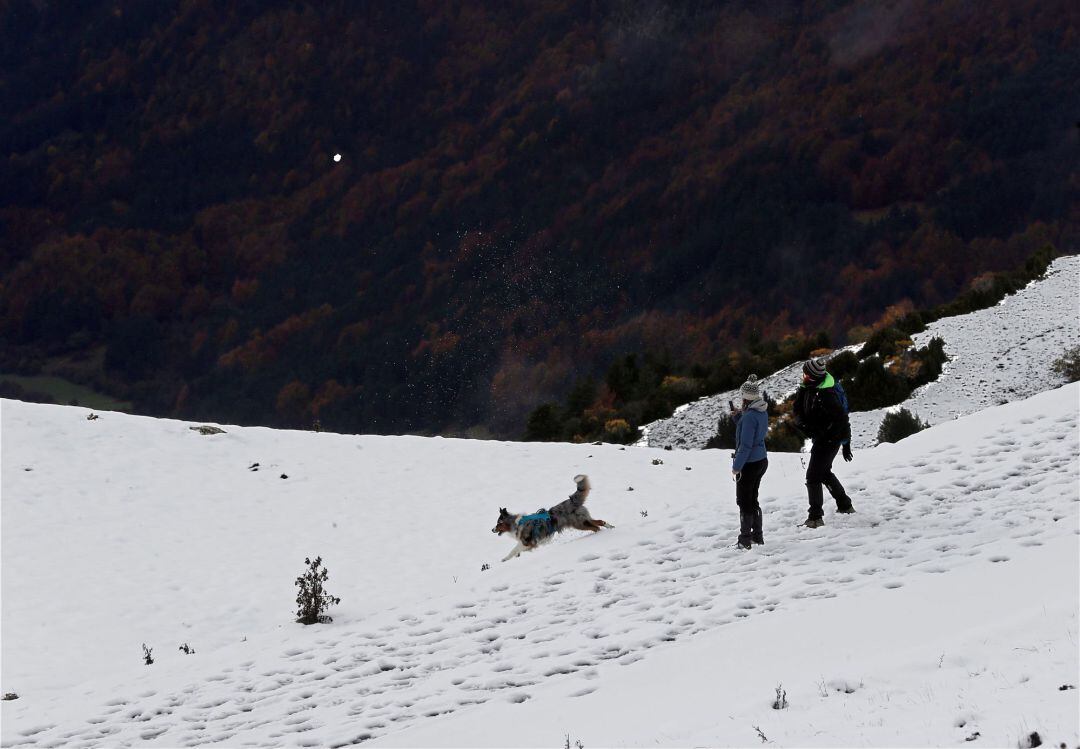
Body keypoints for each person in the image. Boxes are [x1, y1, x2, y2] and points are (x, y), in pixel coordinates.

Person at [793, 357, 855, 528]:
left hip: (828, 441)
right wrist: (802, 424)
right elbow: (797, 409)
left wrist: (845, 442)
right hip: (821, 438)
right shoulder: (808, 387)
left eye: (805, 373)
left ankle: (815, 518)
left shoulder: (827, 394)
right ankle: (845, 505)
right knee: (824, 472)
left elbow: (842, 419)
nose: (803, 375)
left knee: (813, 477)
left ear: (812, 375)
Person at [731, 374, 768, 549]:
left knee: (744, 501)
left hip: (749, 464)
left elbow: (745, 446)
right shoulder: (761, 411)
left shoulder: (748, 417)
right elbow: (753, 432)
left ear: (746, 397)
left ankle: (744, 540)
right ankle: (757, 536)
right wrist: (739, 419)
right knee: (753, 499)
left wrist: (736, 467)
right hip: (761, 460)